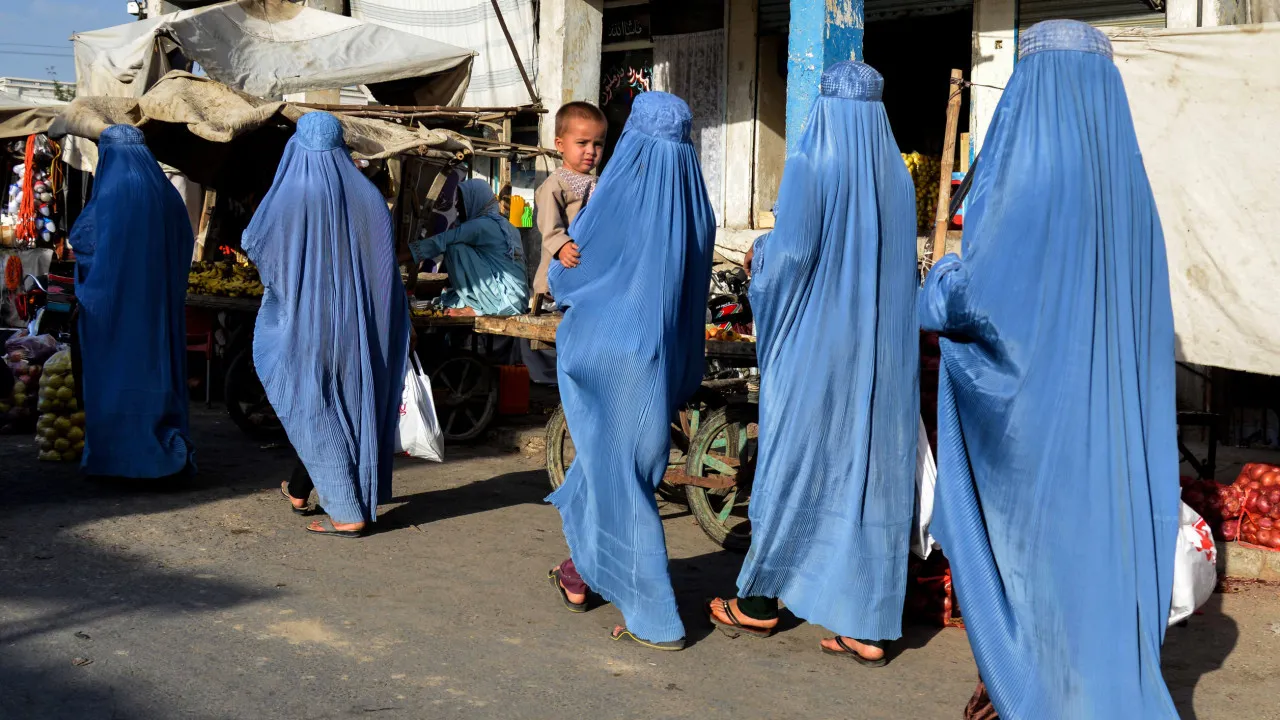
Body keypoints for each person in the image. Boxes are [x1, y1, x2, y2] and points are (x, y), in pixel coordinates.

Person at [919, 21, 1179, 718]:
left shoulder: (1026, 168)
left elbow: (983, 302)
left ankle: (1028, 688)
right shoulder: (1129, 188)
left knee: (1034, 562)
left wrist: (940, 282)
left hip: (1035, 420)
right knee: (1096, 557)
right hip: (1112, 422)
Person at [705, 61, 919, 666]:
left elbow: (792, 257)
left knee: (794, 463)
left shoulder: (809, 163)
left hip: (816, 350)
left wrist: (760, 255)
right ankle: (870, 627)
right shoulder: (895, 175)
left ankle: (760, 600)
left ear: (823, 106)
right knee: (870, 477)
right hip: (882, 354)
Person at [545, 92, 715, 651]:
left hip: (610, 353)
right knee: (620, 470)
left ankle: (655, 615)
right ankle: (581, 572)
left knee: (616, 476)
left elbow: (571, 273)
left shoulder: (618, 194)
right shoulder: (698, 205)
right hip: (657, 356)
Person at [244, 111, 411, 538]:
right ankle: (302, 489)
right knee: (349, 404)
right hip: (360, 331)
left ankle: (346, 511)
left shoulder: (290, 195)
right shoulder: (368, 195)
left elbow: (255, 243)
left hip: (305, 326)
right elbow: (383, 269)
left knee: (312, 405)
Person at [70, 124, 195, 478]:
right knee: (157, 371)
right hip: (158, 308)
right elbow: (185, 242)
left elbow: (85, 242)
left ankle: (120, 458)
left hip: (113, 309)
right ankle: (163, 447)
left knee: (114, 376)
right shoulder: (166, 193)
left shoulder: (111, 194)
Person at [405, 179, 528, 317]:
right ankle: (476, 304)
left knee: (453, 246)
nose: (457, 207)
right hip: (517, 300)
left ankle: (476, 308)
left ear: (474, 201)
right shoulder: (506, 225)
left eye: (462, 202)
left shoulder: (482, 226)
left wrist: (400, 257)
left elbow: (442, 240)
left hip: (504, 303)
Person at [532, 101, 607, 301]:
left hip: (585, 272)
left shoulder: (600, 184)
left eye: (597, 144)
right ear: (560, 145)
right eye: (582, 143)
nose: (591, 151)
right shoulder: (556, 183)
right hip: (557, 272)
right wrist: (561, 245)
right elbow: (549, 224)